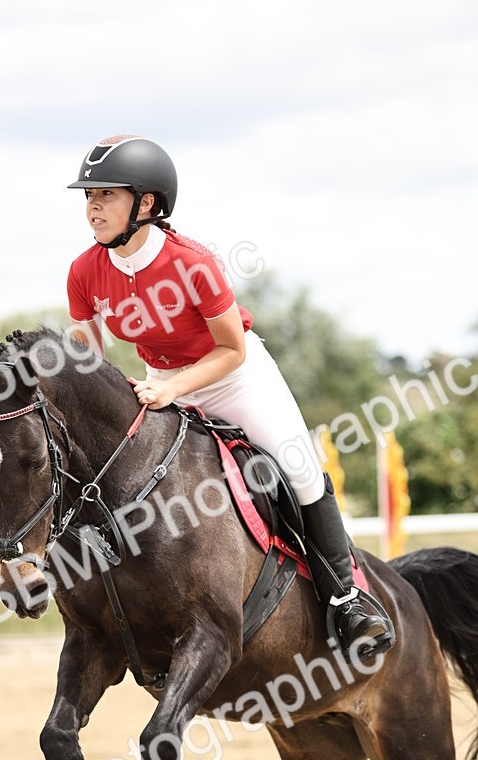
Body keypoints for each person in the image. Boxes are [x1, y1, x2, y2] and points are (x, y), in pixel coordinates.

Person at [65, 134, 393, 661]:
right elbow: (87, 366)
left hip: (234, 378)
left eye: (106, 194)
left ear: (147, 204)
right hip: (162, 381)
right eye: (88, 196)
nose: (92, 206)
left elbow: (231, 350)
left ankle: (348, 599)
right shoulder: (84, 271)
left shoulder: (191, 262)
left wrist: (171, 387)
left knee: (298, 467)